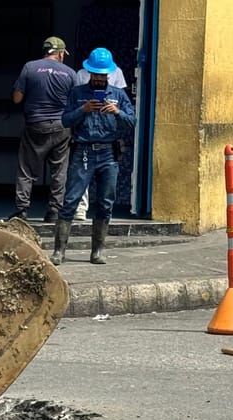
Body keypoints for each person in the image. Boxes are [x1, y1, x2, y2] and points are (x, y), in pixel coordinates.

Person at [53, 48, 135, 266]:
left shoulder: (118, 95)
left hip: (109, 152)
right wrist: (84, 110)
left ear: (108, 74)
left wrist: (117, 113)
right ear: (89, 72)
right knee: (71, 200)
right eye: (95, 74)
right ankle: (59, 251)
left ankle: (97, 251)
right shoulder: (77, 93)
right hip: (83, 150)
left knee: (105, 202)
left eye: (103, 74)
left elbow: (132, 122)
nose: (99, 78)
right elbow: (65, 121)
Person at [9, 36, 77, 222]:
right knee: (59, 170)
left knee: (27, 170)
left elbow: (17, 98)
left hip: (35, 125)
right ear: (61, 53)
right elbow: (75, 104)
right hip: (61, 127)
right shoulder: (71, 74)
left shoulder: (30, 67)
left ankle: (21, 210)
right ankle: (54, 211)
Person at [73, 62, 128, 221]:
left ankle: (100, 216)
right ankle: (81, 209)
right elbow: (75, 97)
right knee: (82, 177)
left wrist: (115, 109)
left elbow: (122, 98)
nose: (99, 76)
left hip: (108, 133)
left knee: (106, 186)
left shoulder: (117, 71)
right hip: (86, 131)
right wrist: (83, 109)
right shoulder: (81, 74)